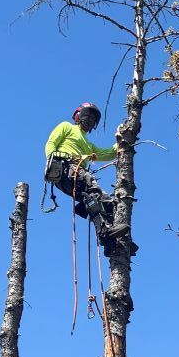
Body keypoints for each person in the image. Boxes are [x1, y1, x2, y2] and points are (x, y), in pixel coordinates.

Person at [44, 101, 136, 256]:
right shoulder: (67, 127)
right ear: (79, 115)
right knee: (92, 189)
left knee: (104, 201)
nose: (90, 120)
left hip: (74, 174)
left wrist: (122, 139)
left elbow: (108, 153)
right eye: (88, 116)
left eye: (94, 119)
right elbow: (51, 143)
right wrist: (52, 162)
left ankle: (111, 241)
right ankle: (104, 232)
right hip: (66, 167)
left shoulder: (88, 145)